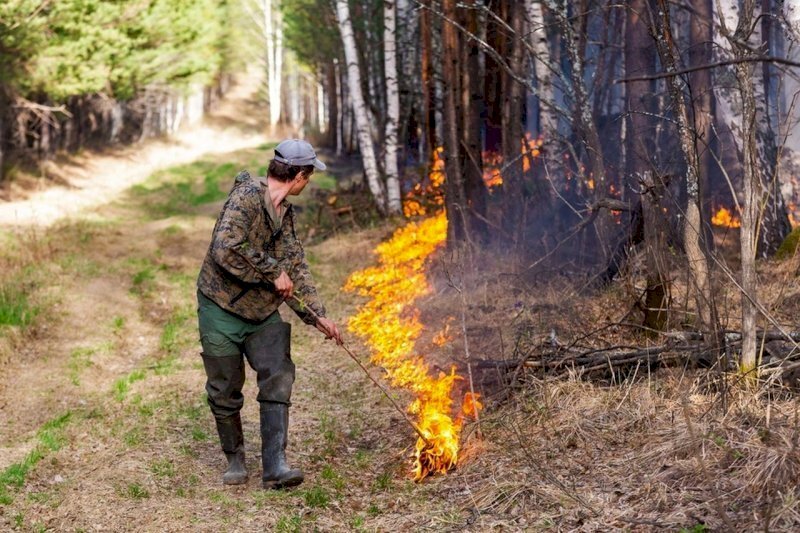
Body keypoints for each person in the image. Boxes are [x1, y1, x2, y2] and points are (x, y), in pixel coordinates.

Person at [196, 139, 343, 490]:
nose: (308, 182)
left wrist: (317, 316)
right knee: (224, 389)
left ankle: (275, 466)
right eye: (309, 176)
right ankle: (234, 457)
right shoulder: (246, 198)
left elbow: (295, 267)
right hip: (220, 308)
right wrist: (272, 270)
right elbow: (225, 248)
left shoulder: (285, 214)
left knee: (278, 373)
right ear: (299, 176)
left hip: (262, 312)